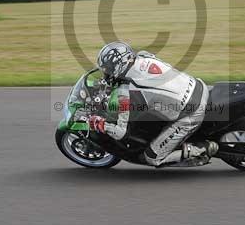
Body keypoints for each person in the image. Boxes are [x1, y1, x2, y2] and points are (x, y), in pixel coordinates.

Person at [81, 41, 218, 167]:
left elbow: (121, 133)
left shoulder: (125, 93)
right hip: (198, 86)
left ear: (118, 67)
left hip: (191, 113)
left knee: (152, 157)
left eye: (107, 69)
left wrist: (100, 124)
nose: (105, 73)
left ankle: (201, 149)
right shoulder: (143, 56)